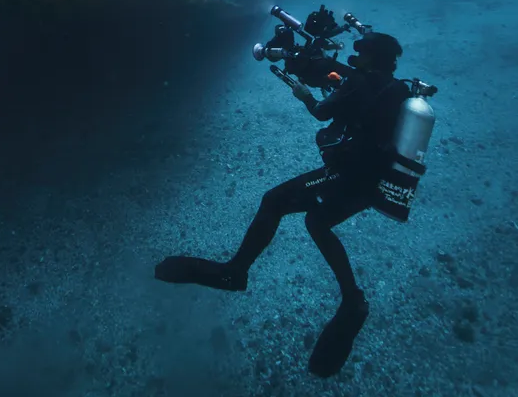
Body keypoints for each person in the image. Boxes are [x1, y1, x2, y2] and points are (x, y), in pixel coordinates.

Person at [154, 30, 410, 377]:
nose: (356, 55)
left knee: (273, 201)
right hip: (375, 182)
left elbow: (321, 112)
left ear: (372, 57)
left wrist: (304, 95)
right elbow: (360, 104)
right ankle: (353, 299)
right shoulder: (398, 89)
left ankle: (235, 272)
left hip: (348, 176)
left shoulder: (359, 82)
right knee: (317, 222)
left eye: (361, 51)